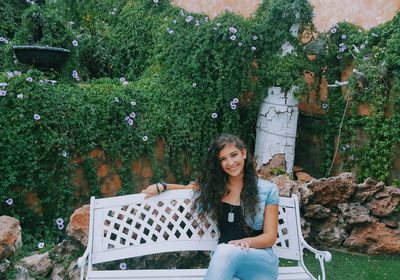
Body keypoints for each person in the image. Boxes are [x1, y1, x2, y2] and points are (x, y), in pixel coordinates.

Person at [141, 133, 279, 280]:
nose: (230, 162)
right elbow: (187, 188)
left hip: (260, 261)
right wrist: (163, 186)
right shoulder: (216, 188)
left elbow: (270, 237)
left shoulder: (268, 190)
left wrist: (246, 242)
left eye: (234, 155)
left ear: (243, 153)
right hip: (225, 261)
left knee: (225, 251)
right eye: (223, 159)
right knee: (224, 255)